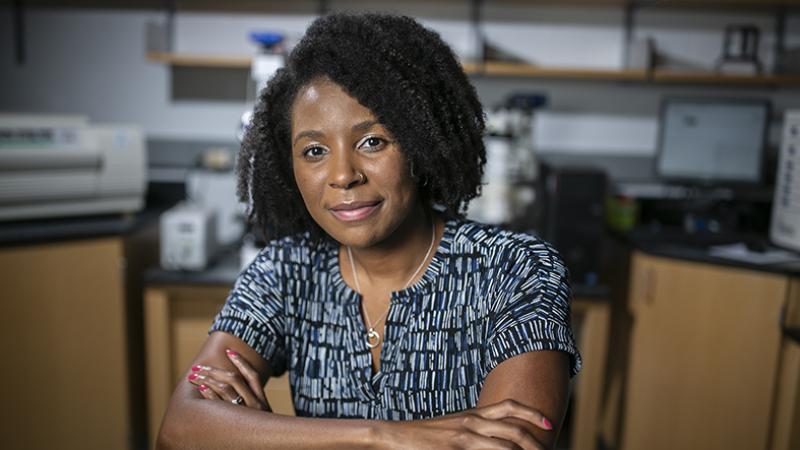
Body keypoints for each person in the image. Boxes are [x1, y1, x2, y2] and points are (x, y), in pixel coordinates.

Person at [157, 13, 580, 450]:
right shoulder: (284, 272)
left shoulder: (516, 270)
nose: (342, 176)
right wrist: (383, 436)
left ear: (419, 142)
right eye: (315, 150)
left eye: (372, 141)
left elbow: (512, 445)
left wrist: (267, 437)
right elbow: (180, 430)